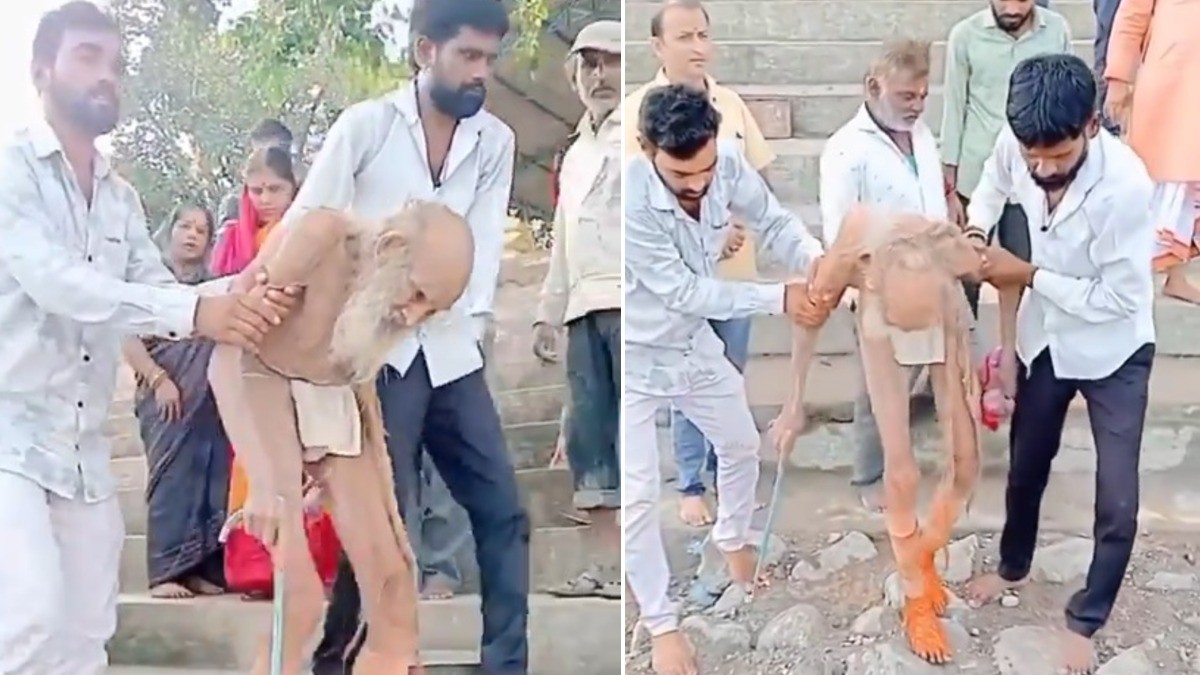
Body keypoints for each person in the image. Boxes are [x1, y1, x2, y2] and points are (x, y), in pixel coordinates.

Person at [0, 3, 298, 673]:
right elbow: (60, 283)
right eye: (86, 57)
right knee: (25, 625)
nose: (106, 76)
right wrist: (201, 313)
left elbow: (162, 289)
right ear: (40, 69)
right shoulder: (10, 170)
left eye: (115, 64)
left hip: (83, 460)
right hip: (10, 443)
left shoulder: (120, 200)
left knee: (83, 640)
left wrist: (253, 288)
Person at [280, 2, 528, 673]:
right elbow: (311, 225)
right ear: (425, 51)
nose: (481, 73)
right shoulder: (366, 127)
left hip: (451, 353)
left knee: (503, 510)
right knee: (381, 530)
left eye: (489, 60)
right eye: (467, 57)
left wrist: (455, 317)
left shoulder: (494, 142)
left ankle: (506, 664)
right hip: (373, 357)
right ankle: (339, 661)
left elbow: (478, 256)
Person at [624, 84, 828, 675]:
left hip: (691, 343)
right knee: (639, 497)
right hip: (638, 355)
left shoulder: (726, 165)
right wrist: (778, 297)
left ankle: (732, 537)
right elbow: (683, 290)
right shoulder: (632, 200)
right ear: (647, 150)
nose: (700, 185)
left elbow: (773, 220)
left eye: (708, 169)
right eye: (682, 175)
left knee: (740, 443)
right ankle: (661, 625)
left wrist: (813, 262)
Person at [963, 54, 1156, 675]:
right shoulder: (1020, 138)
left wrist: (1031, 275)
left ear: (1092, 126)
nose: (1042, 170)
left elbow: (1120, 298)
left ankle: (1086, 618)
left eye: (1058, 157)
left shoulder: (1126, 187)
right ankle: (1012, 565)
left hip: (1115, 350)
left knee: (1118, 499)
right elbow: (992, 185)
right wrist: (974, 230)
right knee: (1025, 468)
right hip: (1047, 340)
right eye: (1032, 157)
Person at [622, 0, 776, 528]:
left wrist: (736, 223)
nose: (698, 47)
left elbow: (755, 183)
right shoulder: (636, 112)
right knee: (684, 379)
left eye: (703, 35)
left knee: (726, 378)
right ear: (658, 46)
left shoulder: (730, 106)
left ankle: (730, 478)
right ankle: (690, 484)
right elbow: (638, 198)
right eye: (684, 37)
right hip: (671, 284)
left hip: (734, 276)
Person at [819, 40, 970, 513]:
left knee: (958, 370)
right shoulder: (845, 150)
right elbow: (839, 230)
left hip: (932, 278)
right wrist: (863, 290)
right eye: (907, 96)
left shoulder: (922, 135)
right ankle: (870, 476)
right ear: (873, 87)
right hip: (878, 287)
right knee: (879, 389)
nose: (917, 105)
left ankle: (956, 470)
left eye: (923, 96)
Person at [532, 19, 622, 600]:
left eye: (611, 61)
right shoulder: (575, 154)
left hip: (631, 302)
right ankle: (601, 567)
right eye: (589, 64)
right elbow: (565, 235)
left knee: (632, 435)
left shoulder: (640, 134)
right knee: (591, 440)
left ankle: (632, 566)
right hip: (583, 309)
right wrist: (547, 310)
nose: (600, 74)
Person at [123, 204, 230, 600]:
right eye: (184, 225)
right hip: (166, 394)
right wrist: (158, 378)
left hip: (207, 401)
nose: (191, 235)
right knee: (171, 478)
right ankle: (164, 572)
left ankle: (197, 569)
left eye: (201, 230)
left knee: (208, 476)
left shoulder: (211, 286)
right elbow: (128, 337)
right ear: (170, 231)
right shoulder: (148, 283)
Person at [940, 0, 1072, 313]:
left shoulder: (1056, 31)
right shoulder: (965, 36)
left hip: (1032, 178)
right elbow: (954, 107)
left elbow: (1065, 101)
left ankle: (1019, 353)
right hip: (974, 175)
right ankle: (960, 352)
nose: (1011, 8)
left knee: (1023, 272)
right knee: (963, 275)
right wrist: (949, 187)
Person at [1104, 0, 1200, 303]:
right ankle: (1147, 274)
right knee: (1166, 185)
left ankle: (1176, 275)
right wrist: (1118, 79)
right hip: (1172, 86)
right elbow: (1131, 16)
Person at [211, 146, 300, 277]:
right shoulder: (230, 239)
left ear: (292, 187)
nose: (265, 200)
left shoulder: (306, 229)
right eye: (257, 191)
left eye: (275, 189)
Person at [216, 118, 295, 229]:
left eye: (276, 158)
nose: (267, 163)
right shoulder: (235, 204)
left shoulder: (305, 198)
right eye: (260, 155)